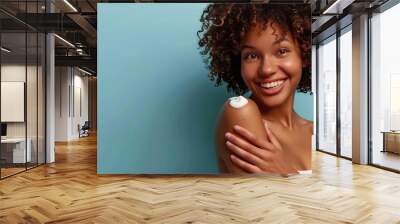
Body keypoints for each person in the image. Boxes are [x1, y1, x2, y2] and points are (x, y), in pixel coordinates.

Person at [198, 3, 313, 174]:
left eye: (281, 51)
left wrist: (285, 171)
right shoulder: (240, 112)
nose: (266, 69)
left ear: (303, 54)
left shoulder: (315, 131)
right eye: (252, 56)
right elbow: (264, 199)